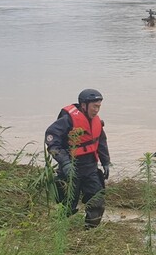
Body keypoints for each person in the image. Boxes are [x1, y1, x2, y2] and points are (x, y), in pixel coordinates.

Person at [45, 88, 111, 228]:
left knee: (97, 201)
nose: (97, 110)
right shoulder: (67, 120)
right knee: (68, 205)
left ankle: (90, 230)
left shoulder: (96, 121)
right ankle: (60, 230)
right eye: (94, 106)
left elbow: (101, 142)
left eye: (99, 106)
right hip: (71, 168)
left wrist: (106, 162)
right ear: (83, 105)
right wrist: (65, 163)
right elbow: (52, 141)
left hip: (90, 168)